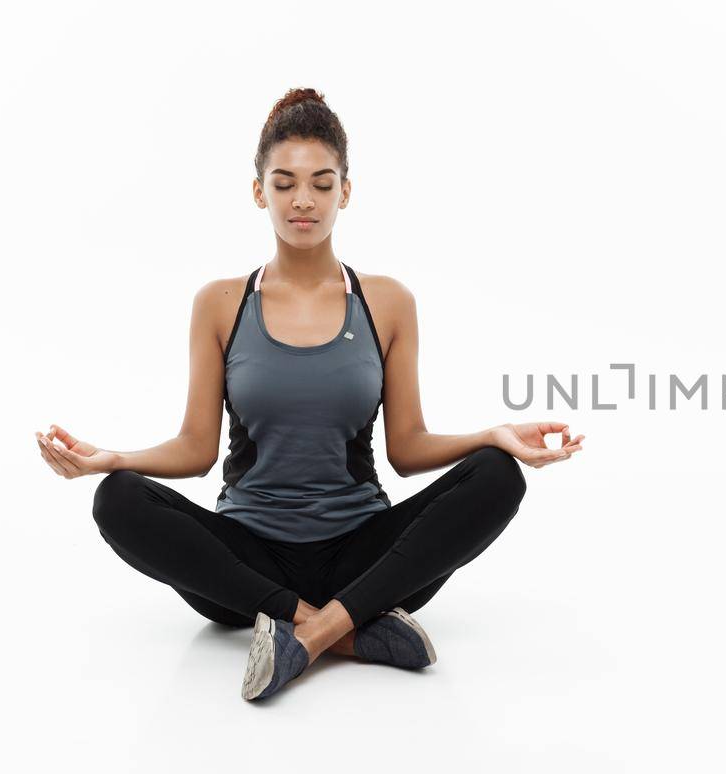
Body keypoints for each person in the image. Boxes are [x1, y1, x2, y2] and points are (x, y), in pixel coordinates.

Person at [33, 87, 585, 701]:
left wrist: (491, 435)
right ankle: (348, 633)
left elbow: (406, 447)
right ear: (258, 191)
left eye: (322, 184)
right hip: (246, 565)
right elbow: (195, 449)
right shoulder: (220, 304)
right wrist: (111, 458)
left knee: (498, 476)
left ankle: (308, 634)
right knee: (117, 500)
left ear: (345, 192)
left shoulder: (387, 302)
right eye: (285, 182)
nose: (303, 200)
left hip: (364, 558)